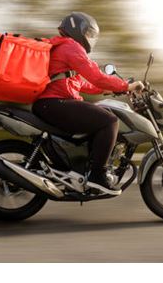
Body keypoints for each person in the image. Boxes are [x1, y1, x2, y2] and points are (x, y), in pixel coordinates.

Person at [32, 12, 144, 195]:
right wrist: (127, 85)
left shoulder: (64, 47)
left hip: (51, 103)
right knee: (109, 121)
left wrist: (109, 89)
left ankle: (83, 169)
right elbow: (96, 76)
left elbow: (81, 82)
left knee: (98, 116)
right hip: (54, 103)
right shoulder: (70, 47)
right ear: (77, 29)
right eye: (88, 33)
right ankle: (96, 176)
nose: (90, 38)